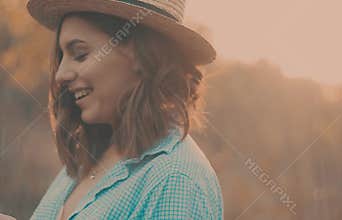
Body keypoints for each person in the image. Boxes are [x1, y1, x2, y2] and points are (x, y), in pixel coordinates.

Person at [24, 0, 223, 219]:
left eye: (80, 54)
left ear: (141, 54)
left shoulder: (175, 180)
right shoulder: (85, 162)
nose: (61, 75)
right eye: (62, 57)